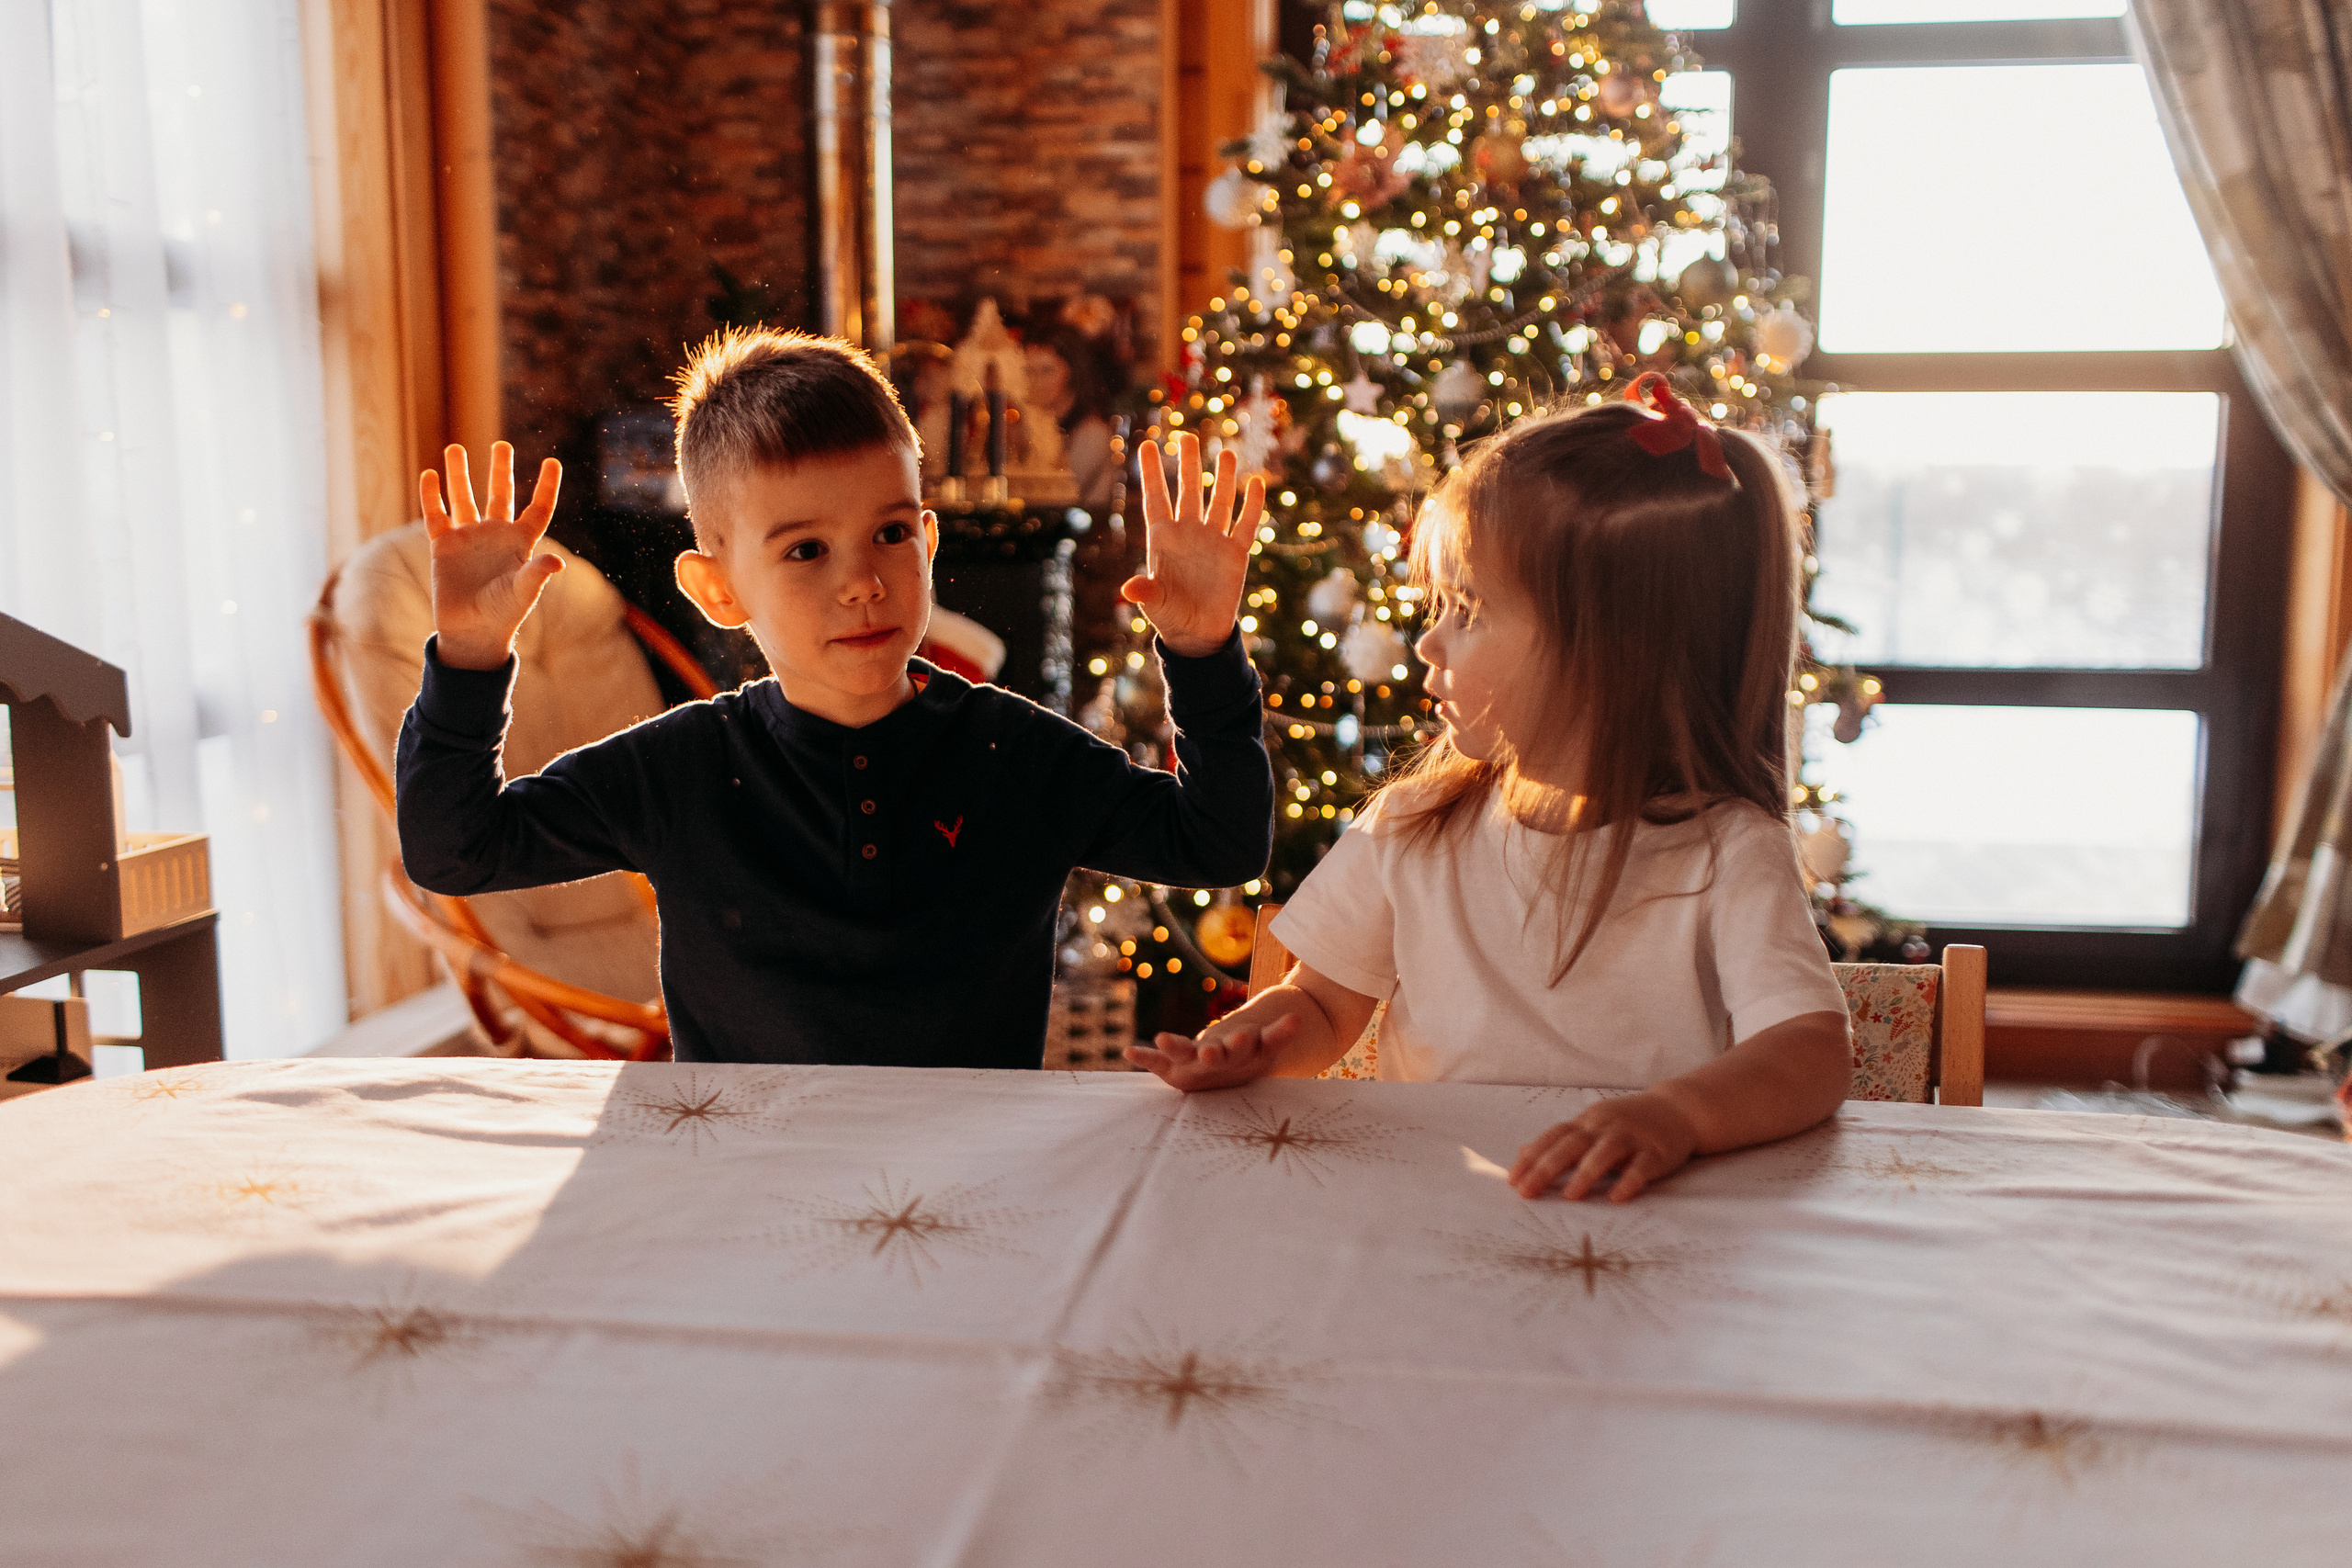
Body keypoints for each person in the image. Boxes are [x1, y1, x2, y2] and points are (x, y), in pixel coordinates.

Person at [396, 328, 1272, 1067]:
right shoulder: (682, 766)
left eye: (890, 533)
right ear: (717, 590)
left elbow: (1220, 842)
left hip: (976, 1190)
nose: (863, 583)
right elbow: (455, 853)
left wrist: (1200, 652)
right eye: (805, 550)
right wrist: (470, 662)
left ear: (927, 542)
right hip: (749, 1193)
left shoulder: (1014, 753)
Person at [1126, 375, 1851, 1202]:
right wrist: (1248, 1043)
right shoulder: (1411, 824)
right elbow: (1323, 1007)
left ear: (1609, 653)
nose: (1429, 640)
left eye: (1468, 610)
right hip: (1439, 1211)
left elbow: (1809, 1049)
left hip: (1638, 1223)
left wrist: (1676, 1117)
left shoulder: (1728, 851)